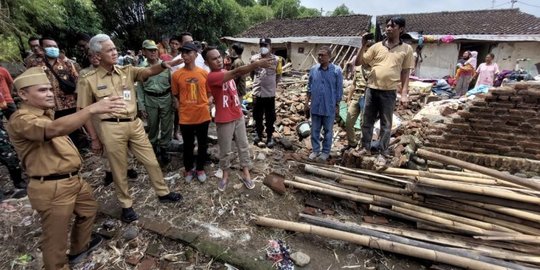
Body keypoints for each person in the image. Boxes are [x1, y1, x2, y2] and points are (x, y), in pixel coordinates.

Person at [7, 67, 128, 269]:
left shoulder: (45, 114)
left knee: (88, 210)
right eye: (42, 90)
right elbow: (54, 130)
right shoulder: (21, 119)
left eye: (49, 89)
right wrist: (90, 109)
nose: (49, 93)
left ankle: (80, 249)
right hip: (53, 187)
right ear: (23, 95)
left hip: (73, 180)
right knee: (55, 240)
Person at [77, 34, 182, 223]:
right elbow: (83, 111)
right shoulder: (88, 79)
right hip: (110, 127)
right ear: (97, 55)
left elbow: (147, 72)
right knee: (119, 168)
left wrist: (164, 65)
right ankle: (126, 205)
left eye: (115, 48)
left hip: (134, 124)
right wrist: (94, 138)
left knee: (150, 160)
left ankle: (162, 192)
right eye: (109, 50)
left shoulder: (127, 70)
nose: (115, 52)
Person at [203, 46, 272, 191]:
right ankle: (225, 175)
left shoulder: (223, 71)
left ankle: (246, 172)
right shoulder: (212, 77)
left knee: (243, 145)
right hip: (224, 118)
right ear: (207, 62)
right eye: (214, 59)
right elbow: (238, 71)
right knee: (225, 150)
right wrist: (256, 64)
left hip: (238, 115)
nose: (218, 60)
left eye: (219, 57)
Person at [354, 17, 414, 167]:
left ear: (401, 29)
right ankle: (365, 147)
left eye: (392, 26)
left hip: (389, 91)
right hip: (372, 88)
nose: (388, 28)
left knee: (386, 125)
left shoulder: (406, 49)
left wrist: (405, 93)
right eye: (387, 26)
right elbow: (358, 62)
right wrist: (362, 46)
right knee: (366, 121)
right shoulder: (376, 47)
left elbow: (406, 72)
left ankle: (383, 152)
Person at [27, 37, 87, 149]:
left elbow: (78, 81)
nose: (53, 49)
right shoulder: (34, 65)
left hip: (69, 103)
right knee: (59, 133)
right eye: (49, 46)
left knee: (74, 130)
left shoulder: (67, 63)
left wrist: (80, 100)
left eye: (55, 47)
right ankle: (65, 152)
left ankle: (79, 152)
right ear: (41, 48)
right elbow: (31, 85)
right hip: (50, 107)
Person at [171, 42, 211, 183]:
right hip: (186, 117)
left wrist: (208, 104)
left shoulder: (204, 73)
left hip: (202, 115)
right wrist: (179, 107)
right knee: (188, 145)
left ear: (196, 54)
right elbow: (175, 95)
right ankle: (188, 169)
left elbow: (209, 93)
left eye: (188, 52)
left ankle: (200, 168)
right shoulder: (176, 75)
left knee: (203, 144)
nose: (184, 55)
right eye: (183, 52)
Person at [136, 40, 174, 165]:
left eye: (154, 50)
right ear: (144, 51)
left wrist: (174, 100)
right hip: (150, 100)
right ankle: (153, 148)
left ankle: (164, 149)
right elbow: (140, 89)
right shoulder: (141, 68)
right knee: (152, 126)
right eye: (149, 50)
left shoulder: (165, 65)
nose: (153, 52)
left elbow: (172, 84)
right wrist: (141, 106)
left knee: (167, 126)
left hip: (166, 98)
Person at [305, 46, 343, 161]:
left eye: (323, 55)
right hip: (316, 105)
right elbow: (309, 87)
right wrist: (306, 102)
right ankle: (315, 150)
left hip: (329, 106)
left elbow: (339, 89)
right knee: (315, 130)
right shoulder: (314, 69)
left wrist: (337, 105)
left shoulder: (336, 71)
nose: (320, 57)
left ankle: (325, 152)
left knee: (328, 131)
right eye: (319, 55)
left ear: (329, 57)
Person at [250, 38, 282, 148]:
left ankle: (269, 136)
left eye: (265, 45)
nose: (263, 47)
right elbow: (252, 73)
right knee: (257, 115)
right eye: (261, 45)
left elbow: (278, 75)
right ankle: (258, 134)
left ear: (270, 46)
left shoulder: (277, 59)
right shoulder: (254, 58)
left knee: (270, 116)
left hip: (269, 94)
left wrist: (273, 85)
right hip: (257, 93)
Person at [344, 44, 373, 150]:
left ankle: (363, 146)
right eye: (364, 51)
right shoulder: (358, 68)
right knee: (349, 122)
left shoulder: (375, 68)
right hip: (356, 97)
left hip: (368, 99)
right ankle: (352, 143)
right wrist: (349, 98)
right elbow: (353, 84)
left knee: (364, 124)